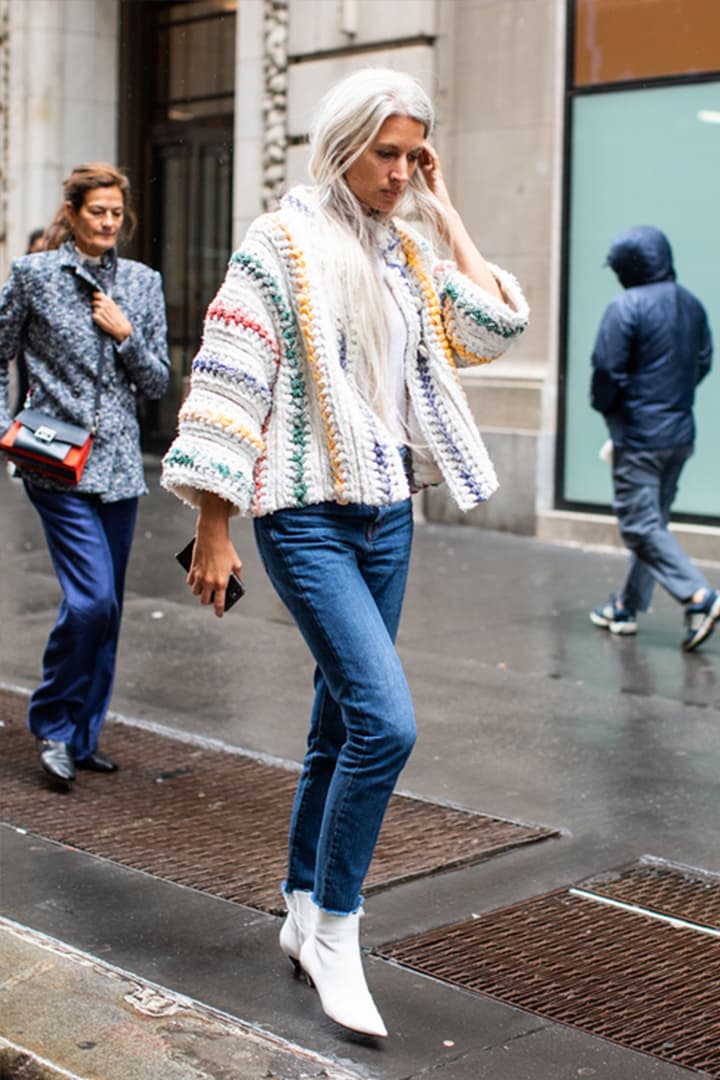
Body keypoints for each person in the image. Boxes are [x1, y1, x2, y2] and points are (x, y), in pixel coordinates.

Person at [161, 68, 528, 1037]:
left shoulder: (405, 248)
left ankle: (298, 899)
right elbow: (231, 381)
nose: (402, 171)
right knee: (386, 723)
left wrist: (447, 212)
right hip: (305, 516)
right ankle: (334, 928)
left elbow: (494, 327)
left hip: (387, 514)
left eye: (416, 155)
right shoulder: (278, 244)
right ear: (341, 144)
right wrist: (212, 524)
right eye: (388, 153)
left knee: (338, 723)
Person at [0, 163, 170, 787]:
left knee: (111, 609)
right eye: (96, 211)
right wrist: (4, 428)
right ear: (71, 213)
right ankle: (52, 722)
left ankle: (83, 734)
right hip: (55, 462)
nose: (107, 223)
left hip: (121, 467)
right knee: (91, 600)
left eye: (116, 214)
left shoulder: (143, 285)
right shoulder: (35, 277)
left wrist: (126, 336)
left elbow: (156, 382)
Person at [589, 225, 717, 651]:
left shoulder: (625, 306)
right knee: (653, 523)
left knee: (640, 525)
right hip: (679, 434)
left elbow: (607, 371)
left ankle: (700, 595)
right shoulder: (692, 305)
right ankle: (626, 606)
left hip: (641, 437)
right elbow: (702, 362)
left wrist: (613, 411)